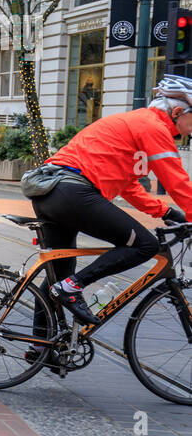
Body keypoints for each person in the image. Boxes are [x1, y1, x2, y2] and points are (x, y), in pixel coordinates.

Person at [25, 73, 192, 330]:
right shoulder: (154, 127)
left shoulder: (136, 123)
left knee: (59, 274)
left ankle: (41, 348)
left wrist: (167, 211)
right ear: (178, 110)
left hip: (52, 193)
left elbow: (128, 187)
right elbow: (176, 181)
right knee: (145, 245)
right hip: (73, 192)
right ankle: (71, 288)